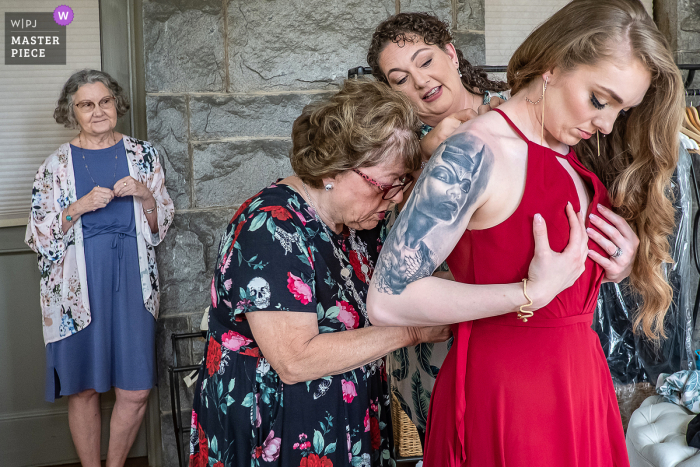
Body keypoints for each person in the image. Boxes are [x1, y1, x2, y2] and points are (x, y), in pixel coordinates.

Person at [367, 0, 683, 465]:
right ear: (553, 65)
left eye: (622, 108)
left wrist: (613, 263)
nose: (607, 123)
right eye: (600, 99)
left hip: (579, 376)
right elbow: (387, 299)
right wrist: (527, 292)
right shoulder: (474, 153)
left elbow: (554, 268)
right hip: (513, 388)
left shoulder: (567, 147)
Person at [188, 79, 451, 467]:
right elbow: (295, 360)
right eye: (385, 185)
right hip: (278, 426)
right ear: (334, 167)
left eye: (402, 183)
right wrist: (411, 333)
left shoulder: (357, 223)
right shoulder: (271, 227)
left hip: (339, 417)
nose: (394, 197)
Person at [25, 69, 174, 467]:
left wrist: (145, 195)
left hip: (132, 280)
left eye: (104, 101)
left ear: (116, 104)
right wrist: (76, 207)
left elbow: (160, 227)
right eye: (86, 104)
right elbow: (38, 236)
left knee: (135, 389)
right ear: (71, 112)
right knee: (85, 388)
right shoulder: (55, 165)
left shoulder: (144, 154)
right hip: (77, 283)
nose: (97, 111)